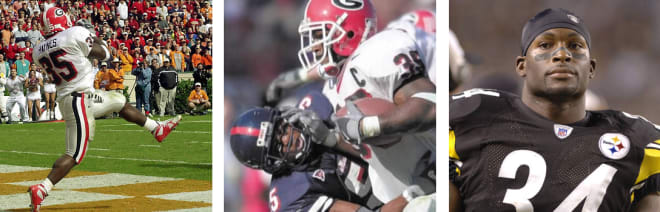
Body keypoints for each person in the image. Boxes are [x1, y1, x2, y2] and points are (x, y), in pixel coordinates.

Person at [449, 8, 660, 212]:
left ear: (592, 68)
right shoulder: (474, 119)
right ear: (522, 65)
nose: (562, 54)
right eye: (545, 45)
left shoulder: (635, 140)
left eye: (575, 46)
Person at [28, 7, 182, 211]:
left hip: (73, 98)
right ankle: (43, 188)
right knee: (74, 154)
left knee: (118, 100)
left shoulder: (37, 51)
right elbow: (105, 54)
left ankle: (156, 128)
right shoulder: (74, 33)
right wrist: (93, 36)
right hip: (80, 99)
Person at [288, 0, 436, 204]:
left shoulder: (377, 50)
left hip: (439, 171)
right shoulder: (330, 88)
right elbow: (365, 148)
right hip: (403, 196)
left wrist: (366, 125)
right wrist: (331, 139)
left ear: (348, 32)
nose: (313, 45)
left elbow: (429, 104)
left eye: (319, 35)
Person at [229, 92, 422, 212]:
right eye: (276, 146)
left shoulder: (315, 108)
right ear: (270, 165)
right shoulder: (291, 195)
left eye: (281, 129)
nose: (288, 138)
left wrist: (332, 136)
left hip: (404, 165)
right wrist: (410, 196)